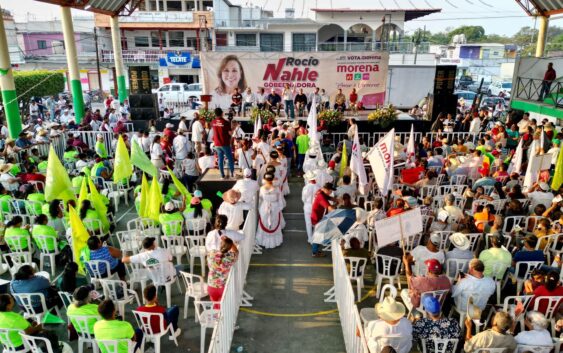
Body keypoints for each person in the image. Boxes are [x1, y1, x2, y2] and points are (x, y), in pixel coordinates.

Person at [256, 173, 285, 248]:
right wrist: (278, 208)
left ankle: (263, 240)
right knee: (274, 222)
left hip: (264, 207)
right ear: (272, 179)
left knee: (264, 222)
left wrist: (260, 208)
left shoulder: (262, 188)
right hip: (274, 207)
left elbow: (260, 199)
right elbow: (280, 201)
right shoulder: (277, 189)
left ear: (265, 179)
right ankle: (275, 241)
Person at [207, 237, 239, 305]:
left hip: (211, 287)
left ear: (220, 244)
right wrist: (231, 243)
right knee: (222, 308)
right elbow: (236, 251)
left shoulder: (212, 253)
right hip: (223, 288)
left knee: (215, 305)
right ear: (229, 247)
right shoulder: (231, 257)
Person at [310, 182, 336, 257]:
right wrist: (337, 206)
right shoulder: (321, 196)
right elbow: (330, 208)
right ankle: (315, 252)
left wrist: (337, 200)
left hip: (318, 216)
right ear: (326, 189)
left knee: (318, 233)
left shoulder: (321, 192)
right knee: (317, 234)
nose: (331, 192)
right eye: (330, 191)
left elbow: (330, 198)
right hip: (316, 217)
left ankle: (316, 249)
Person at [212, 108, 235, 179]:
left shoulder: (213, 122)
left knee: (220, 159)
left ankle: (222, 175)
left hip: (217, 143)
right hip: (225, 143)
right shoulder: (225, 122)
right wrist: (234, 128)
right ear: (222, 113)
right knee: (230, 159)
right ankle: (232, 174)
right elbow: (230, 133)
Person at [302, 171, 320, 244]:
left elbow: (303, 199)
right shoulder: (318, 186)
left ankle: (310, 238)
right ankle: (315, 237)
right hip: (316, 206)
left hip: (308, 206)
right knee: (316, 223)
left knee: (308, 223)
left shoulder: (306, 187)